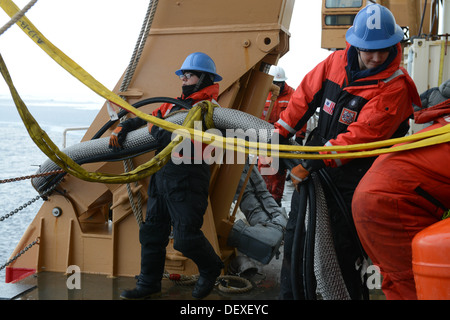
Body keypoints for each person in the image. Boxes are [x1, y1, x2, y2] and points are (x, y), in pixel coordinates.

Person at [273, 4, 421, 299]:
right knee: (296, 241)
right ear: (354, 44)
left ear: (395, 46)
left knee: (340, 253)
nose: (376, 57)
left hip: (354, 181)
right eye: (369, 49)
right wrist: (280, 133)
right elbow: (303, 98)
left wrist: (311, 164)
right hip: (316, 167)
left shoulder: (395, 87)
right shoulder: (334, 63)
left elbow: (361, 138)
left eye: (384, 49)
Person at [109, 52, 224, 300]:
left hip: (189, 178)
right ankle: (149, 283)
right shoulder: (173, 105)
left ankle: (212, 266)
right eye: (183, 75)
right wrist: (125, 125)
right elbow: (149, 120)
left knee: (185, 238)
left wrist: (155, 127)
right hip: (162, 175)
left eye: (189, 75)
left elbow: (174, 136)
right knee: (152, 232)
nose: (183, 79)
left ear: (204, 78)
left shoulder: (210, 110)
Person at [352, 79, 450, 300]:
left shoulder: (442, 126)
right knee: (417, 286)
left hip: (377, 198)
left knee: (398, 281)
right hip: (391, 205)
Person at [258, 65, 306, 206]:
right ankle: (265, 200)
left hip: (283, 138)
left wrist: (300, 137)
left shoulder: (292, 94)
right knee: (264, 168)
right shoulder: (262, 92)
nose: (277, 86)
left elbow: (300, 115)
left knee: (277, 171)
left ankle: (275, 201)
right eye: (274, 83)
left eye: (279, 83)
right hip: (265, 137)